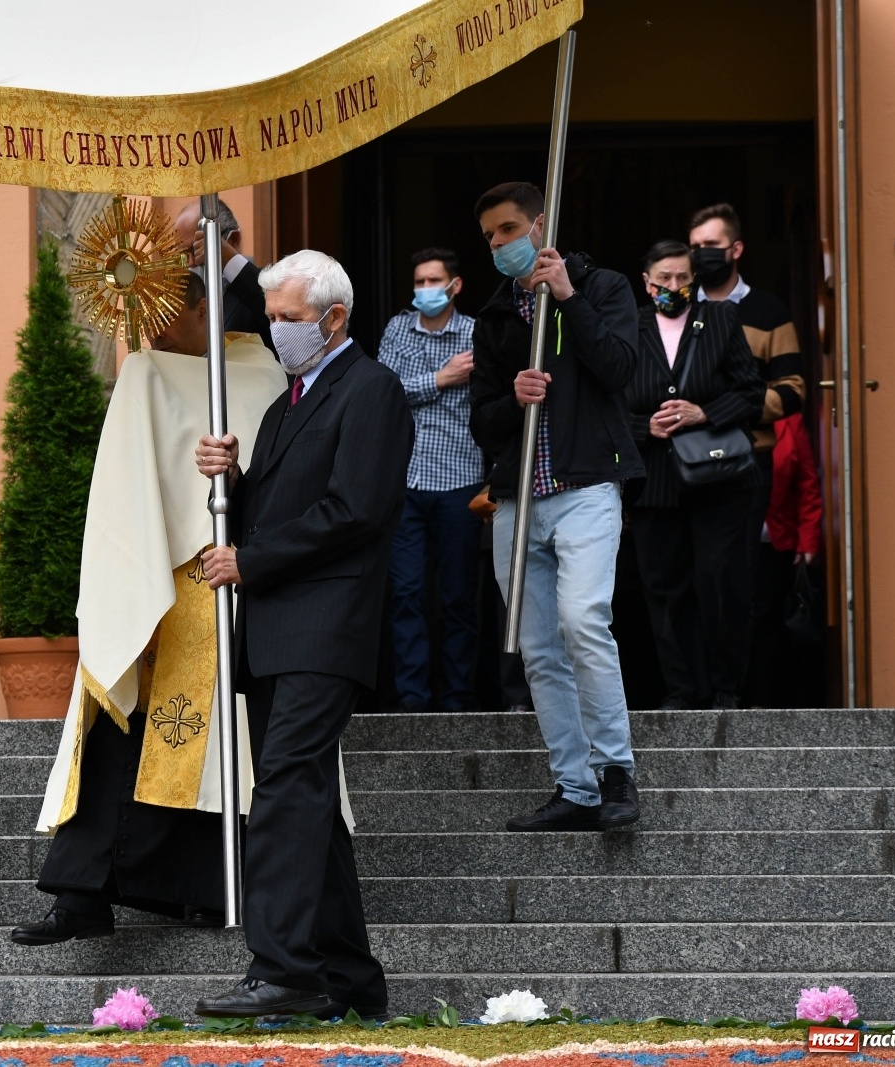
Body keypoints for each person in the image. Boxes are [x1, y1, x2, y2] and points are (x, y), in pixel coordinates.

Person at [18, 271, 285, 945]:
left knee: (211, 740)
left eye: (168, 312)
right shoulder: (142, 372)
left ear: (204, 305)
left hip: (229, 580)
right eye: (145, 313)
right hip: (148, 576)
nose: (154, 327)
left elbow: (281, 470)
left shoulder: (259, 371)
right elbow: (126, 479)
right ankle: (80, 896)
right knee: (116, 725)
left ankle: (203, 889)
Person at [192, 249, 411, 1020]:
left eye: (287, 318)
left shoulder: (372, 390)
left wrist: (248, 559)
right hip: (277, 629)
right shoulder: (287, 401)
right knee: (305, 796)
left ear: (335, 318)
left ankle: (283, 968)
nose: (276, 329)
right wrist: (233, 478)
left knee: (286, 787)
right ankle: (350, 978)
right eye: (273, 316)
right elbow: (277, 510)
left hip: (327, 623)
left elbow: (355, 510)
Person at [467, 181, 645, 833]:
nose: (499, 243)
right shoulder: (492, 318)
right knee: (538, 647)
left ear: (541, 223)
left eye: (509, 228)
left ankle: (615, 770)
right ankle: (574, 785)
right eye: (489, 235)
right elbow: (480, 420)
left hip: (587, 485)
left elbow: (623, 369)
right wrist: (511, 396)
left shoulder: (602, 288)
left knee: (583, 620)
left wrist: (568, 300)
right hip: (517, 497)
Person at [623, 241, 763, 711]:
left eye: (683, 278)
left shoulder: (720, 319)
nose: (674, 287)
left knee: (721, 581)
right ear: (646, 283)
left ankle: (726, 689)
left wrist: (704, 411)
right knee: (665, 589)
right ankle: (682, 691)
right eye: (664, 278)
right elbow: (606, 408)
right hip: (655, 483)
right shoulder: (627, 328)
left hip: (719, 478)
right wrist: (647, 427)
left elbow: (752, 393)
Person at [687, 203, 808, 705]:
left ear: (736, 250)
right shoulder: (676, 307)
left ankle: (738, 695)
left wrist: (721, 412)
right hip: (681, 465)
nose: (700, 257)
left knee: (739, 581)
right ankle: (689, 692)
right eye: (694, 248)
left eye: (711, 248)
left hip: (745, 461)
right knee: (689, 581)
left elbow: (794, 390)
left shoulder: (768, 312)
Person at [377, 247, 484, 713]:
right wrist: (439, 379)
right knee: (405, 595)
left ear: (455, 286)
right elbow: (384, 393)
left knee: (459, 597)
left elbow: (494, 400)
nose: (425, 291)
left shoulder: (478, 335)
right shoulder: (398, 329)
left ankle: (458, 699)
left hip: (461, 481)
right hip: (407, 483)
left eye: (433, 281)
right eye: (419, 282)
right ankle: (413, 702)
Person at [746, 412, 823, 706]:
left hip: (775, 542)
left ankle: (763, 700)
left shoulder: (789, 421)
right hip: (728, 543)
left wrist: (808, 541)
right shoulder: (721, 412)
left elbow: (807, 485)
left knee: (768, 620)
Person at [172, 198, 275, 352]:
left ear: (233, 240)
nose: (191, 262)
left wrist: (226, 258)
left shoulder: (260, 286)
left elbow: (269, 307)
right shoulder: (185, 298)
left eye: (196, 249)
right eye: (183, 255)